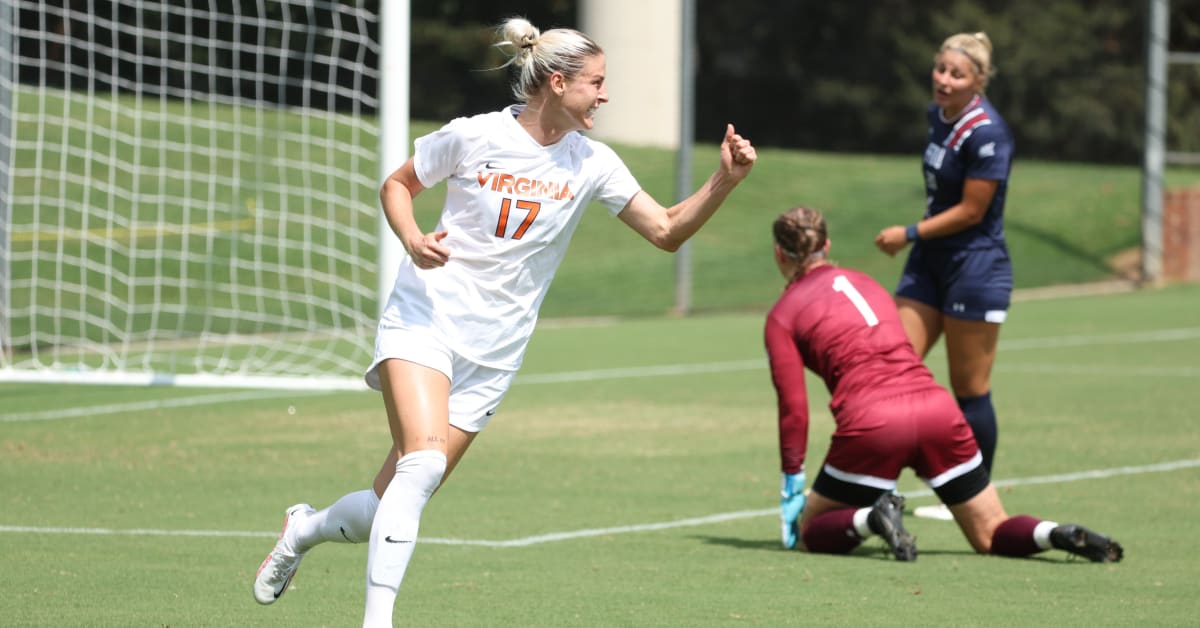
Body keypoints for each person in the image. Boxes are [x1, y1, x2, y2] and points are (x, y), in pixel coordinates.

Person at [251, 17, 758, 627]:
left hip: (494, 353)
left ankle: (303, 529)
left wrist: (723, 181)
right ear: (555, 81)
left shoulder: (593, 163)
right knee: (425, 463)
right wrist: (412, 238)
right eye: (595, 82)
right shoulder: (473, 135)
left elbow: (667, 230)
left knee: (393, 498)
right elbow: (397, 185)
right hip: (426, 320)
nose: (605, 94)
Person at [769, 206, 1122, 563]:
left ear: (779, 253)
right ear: (826, 247)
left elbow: (793, 411)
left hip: (874, 425)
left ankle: (872, 519)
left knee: (811, 530)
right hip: (938, 411)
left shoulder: (783, 314)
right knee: (990, 531)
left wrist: (792, 481)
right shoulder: (868, 283)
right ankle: (1054, 533)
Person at [873, 32, 1014, 516]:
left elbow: (974, 211)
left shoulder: (989, 132)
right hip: (929, 264)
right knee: (889, 373)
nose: (944, 80)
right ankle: (877, 488)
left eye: (957, 74)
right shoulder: (937, 116)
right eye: (941, 69)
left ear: (979, 81)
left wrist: (908, 232)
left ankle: (976, 494)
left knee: (969, 388)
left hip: (974, 267)